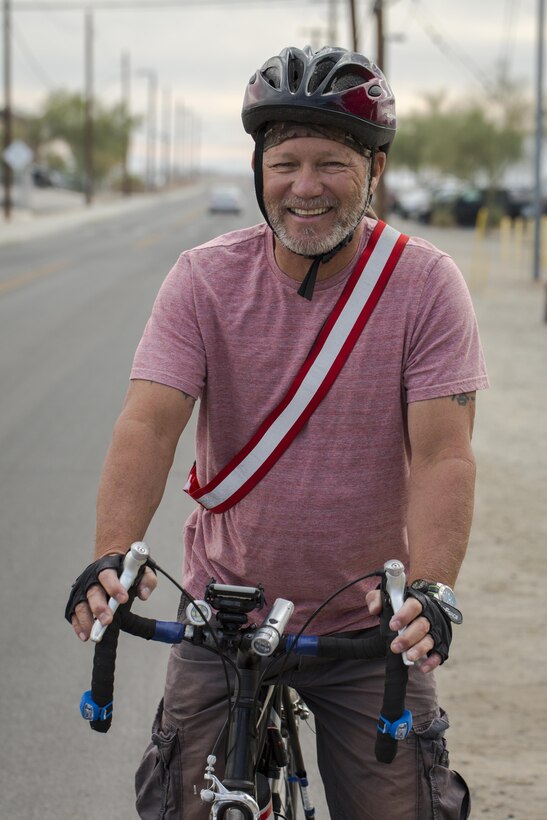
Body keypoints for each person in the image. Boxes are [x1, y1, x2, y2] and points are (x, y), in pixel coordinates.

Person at [67, 45, 488, 819]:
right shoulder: (202, 278)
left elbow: (442, 457)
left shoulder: (425, 286)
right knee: (180, 806)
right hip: (222, 614)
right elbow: (148, 424)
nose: (304, 187)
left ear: (374, 170)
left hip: (365, 626)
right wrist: (110, 553)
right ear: (259, 169)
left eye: (330, 163)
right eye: (284, 162)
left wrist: (430, 592)